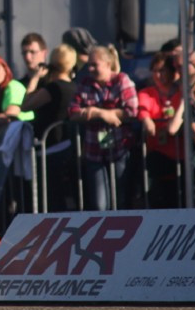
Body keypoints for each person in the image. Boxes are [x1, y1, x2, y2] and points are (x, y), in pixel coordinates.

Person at [67, 44, 138, 211]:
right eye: (89, 65)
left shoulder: (121, 80)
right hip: (94, 150)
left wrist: (98, 112)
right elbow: (72, 111)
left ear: (107, 64)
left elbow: (132, 110)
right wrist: (100, 114)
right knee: (100, 203)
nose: (90, 69)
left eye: (94, 65)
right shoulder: (85, 83)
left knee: (120, 198)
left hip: (120, 147)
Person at [21, 44, 79, 211]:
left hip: (51, 148)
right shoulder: (75, 87)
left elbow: (25, 105)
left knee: (50, 197)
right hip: (66, 145)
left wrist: (35, 78)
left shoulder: (54, 88)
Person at [137, 52, 183, 209]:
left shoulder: (181, 93)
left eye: (162, 70)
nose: (158, 75)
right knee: (159, 196)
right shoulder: (146, 93)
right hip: (157, 153)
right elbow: (142, 110)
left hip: (180, 154)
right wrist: (147, 120)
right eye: (155, 71)